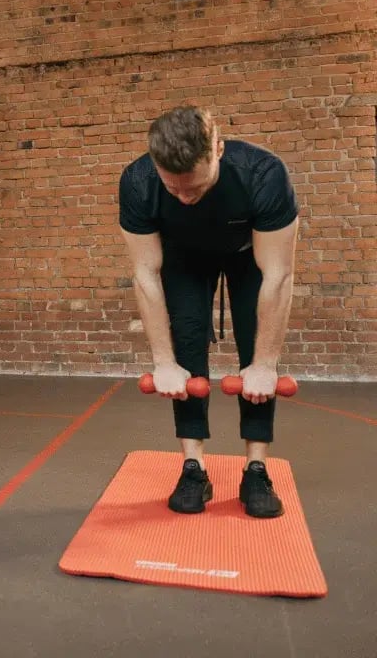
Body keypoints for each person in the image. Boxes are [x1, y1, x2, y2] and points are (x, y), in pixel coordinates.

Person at [119, 104, 299, 518]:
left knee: (257, 345)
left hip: (246, 254)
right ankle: (193, 467)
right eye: (173, 188)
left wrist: (265, 364)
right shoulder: (139, 182)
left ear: (218, 148)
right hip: (183, 257)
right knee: (184, 343)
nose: (183, 197)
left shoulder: (263, 176)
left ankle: (256, 467)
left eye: (194, 188)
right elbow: (145, 274)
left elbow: (278, 275)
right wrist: (162, 363)